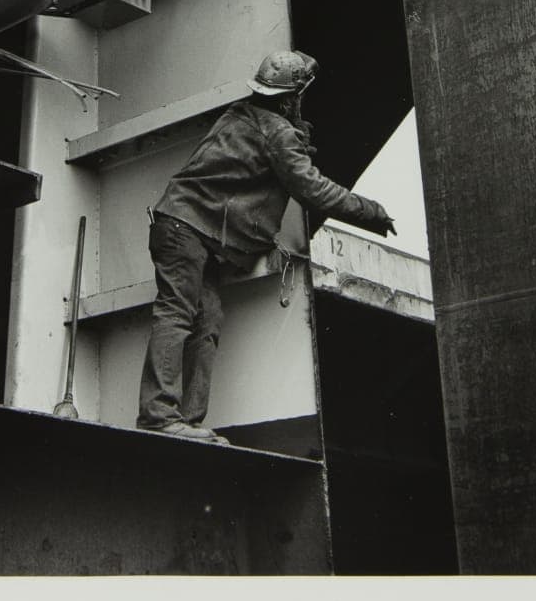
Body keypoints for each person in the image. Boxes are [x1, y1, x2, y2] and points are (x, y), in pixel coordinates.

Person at [136, 50, 396, 445]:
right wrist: (372, 212)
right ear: (293, 96)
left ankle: (184, 423)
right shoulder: (276, 133)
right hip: (185, 229)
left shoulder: (240, 114)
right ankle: (158, 418)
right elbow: (313, 189)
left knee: (207, 320)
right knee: (178, 312)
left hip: (183, 227)